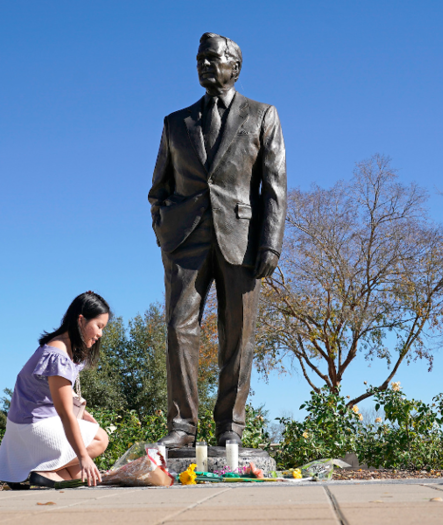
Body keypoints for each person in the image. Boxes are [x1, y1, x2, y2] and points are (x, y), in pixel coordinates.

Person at [148, 32, 287, 449]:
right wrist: (163, 231)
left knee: (238, 334)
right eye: (199, 59)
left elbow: (274, 184)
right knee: (178, 329)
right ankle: (182, 428)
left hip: (242, 240)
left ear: (235, 67)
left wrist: (270, 242)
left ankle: (231, 427)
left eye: (213, 58)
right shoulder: (176, 122)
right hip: (184, 242)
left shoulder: (262, 114)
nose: (205, 65)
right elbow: (158, 187)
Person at [0, 291, 111, 488]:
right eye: (99, 326)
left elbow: (54, 396)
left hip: (22, 428)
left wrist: (86, 416)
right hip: (33, 428)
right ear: (81, 320)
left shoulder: (57, 346)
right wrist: (84, 456)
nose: (100, 334)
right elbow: (65, 414)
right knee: (100, 439)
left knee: (78, 475)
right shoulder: (59, 356)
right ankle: (40, 470)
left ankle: (46, 473)